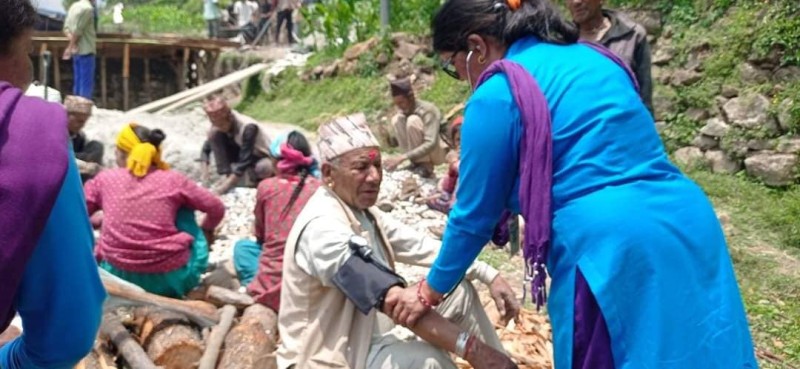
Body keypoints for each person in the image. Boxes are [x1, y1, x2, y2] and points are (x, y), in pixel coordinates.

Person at [387, 1, 758, 369]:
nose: (463, 80)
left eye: (454, 66)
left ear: (477, 46)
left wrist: (428, 291)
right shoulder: (595, 59)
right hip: (687, 222)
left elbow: (472, 218)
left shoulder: (497, 92)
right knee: (703, 349)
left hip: (609, 251)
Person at [277, 113, 520, 369]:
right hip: (332, 357)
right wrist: (470, 349)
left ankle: (501, 364)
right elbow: (391, 299)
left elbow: (420, 246)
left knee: (457, 292)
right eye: (361, 168)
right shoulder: (322, 229)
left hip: (371, 337)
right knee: (428, 363)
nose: (374, 177)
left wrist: (488, 274)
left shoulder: (364, 213)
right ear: (328, 173)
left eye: (378, 166)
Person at [0, 0, 105, 367]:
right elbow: (66, 339)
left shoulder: (88, 144)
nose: (29, 69)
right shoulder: (34, 136)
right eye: (27, 51)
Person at [85, 123, 226, 298]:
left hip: (116, 275)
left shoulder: (105, 179)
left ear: (121, 153)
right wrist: (206, 229)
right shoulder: (173, 180)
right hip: (170, 279)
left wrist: (102, 221)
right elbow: (216, 208)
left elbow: (79, 213)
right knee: (183, 209)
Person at [233, 131, 321, 312]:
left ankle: (252, 285)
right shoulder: (320, 189)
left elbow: (261, 236)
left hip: (270, 292)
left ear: (276, 162)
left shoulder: (267, 187)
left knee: (242, 248)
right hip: (311, 286)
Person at [565, 0, 653, 113]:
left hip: (622, 122)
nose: (576, 2)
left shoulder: (631, 36)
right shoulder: (563, 42)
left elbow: (644, 97)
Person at [201, 96, 275, 195]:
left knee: (264, 168)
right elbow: (206, 149)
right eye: (216, 124)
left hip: (258, 156)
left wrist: (223, 188)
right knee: (214, 134)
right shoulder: (217, 128)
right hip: (237, 153)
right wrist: (205, 175)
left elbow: (245, 159)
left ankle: (253, 182)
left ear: (229, 118)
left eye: (222, 125)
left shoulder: (248, 127)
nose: (220, 127)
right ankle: (227, 174)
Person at [384, 78, 447, 178]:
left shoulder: (427, 110)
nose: (399, 107)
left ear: (411, 97)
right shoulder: (405, 112)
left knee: (412, 121)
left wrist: (402, 158)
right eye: (397, 104)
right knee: (397, 119)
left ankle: (426, 167)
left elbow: (431, 142)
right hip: (422, 153)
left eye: (401, 103)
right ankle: (416, 164)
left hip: (440, 151)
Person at [65, 95, 104, 181]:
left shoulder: (79, 136)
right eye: (79, 121)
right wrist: (84, 164)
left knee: (96, 146)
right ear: (67, 116)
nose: (82, 125)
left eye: (84, 121)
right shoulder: (56, 134)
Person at [63, 0, 97, 99]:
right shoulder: (88, 9)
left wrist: (73, 45)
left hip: (76, 51)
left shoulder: (74, 7)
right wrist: (70, 47)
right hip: (86, 50)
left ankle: (76, 109)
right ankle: (82, 109)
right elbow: (78, 31)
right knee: (86, 85)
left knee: (77, 83)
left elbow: (66, 29)